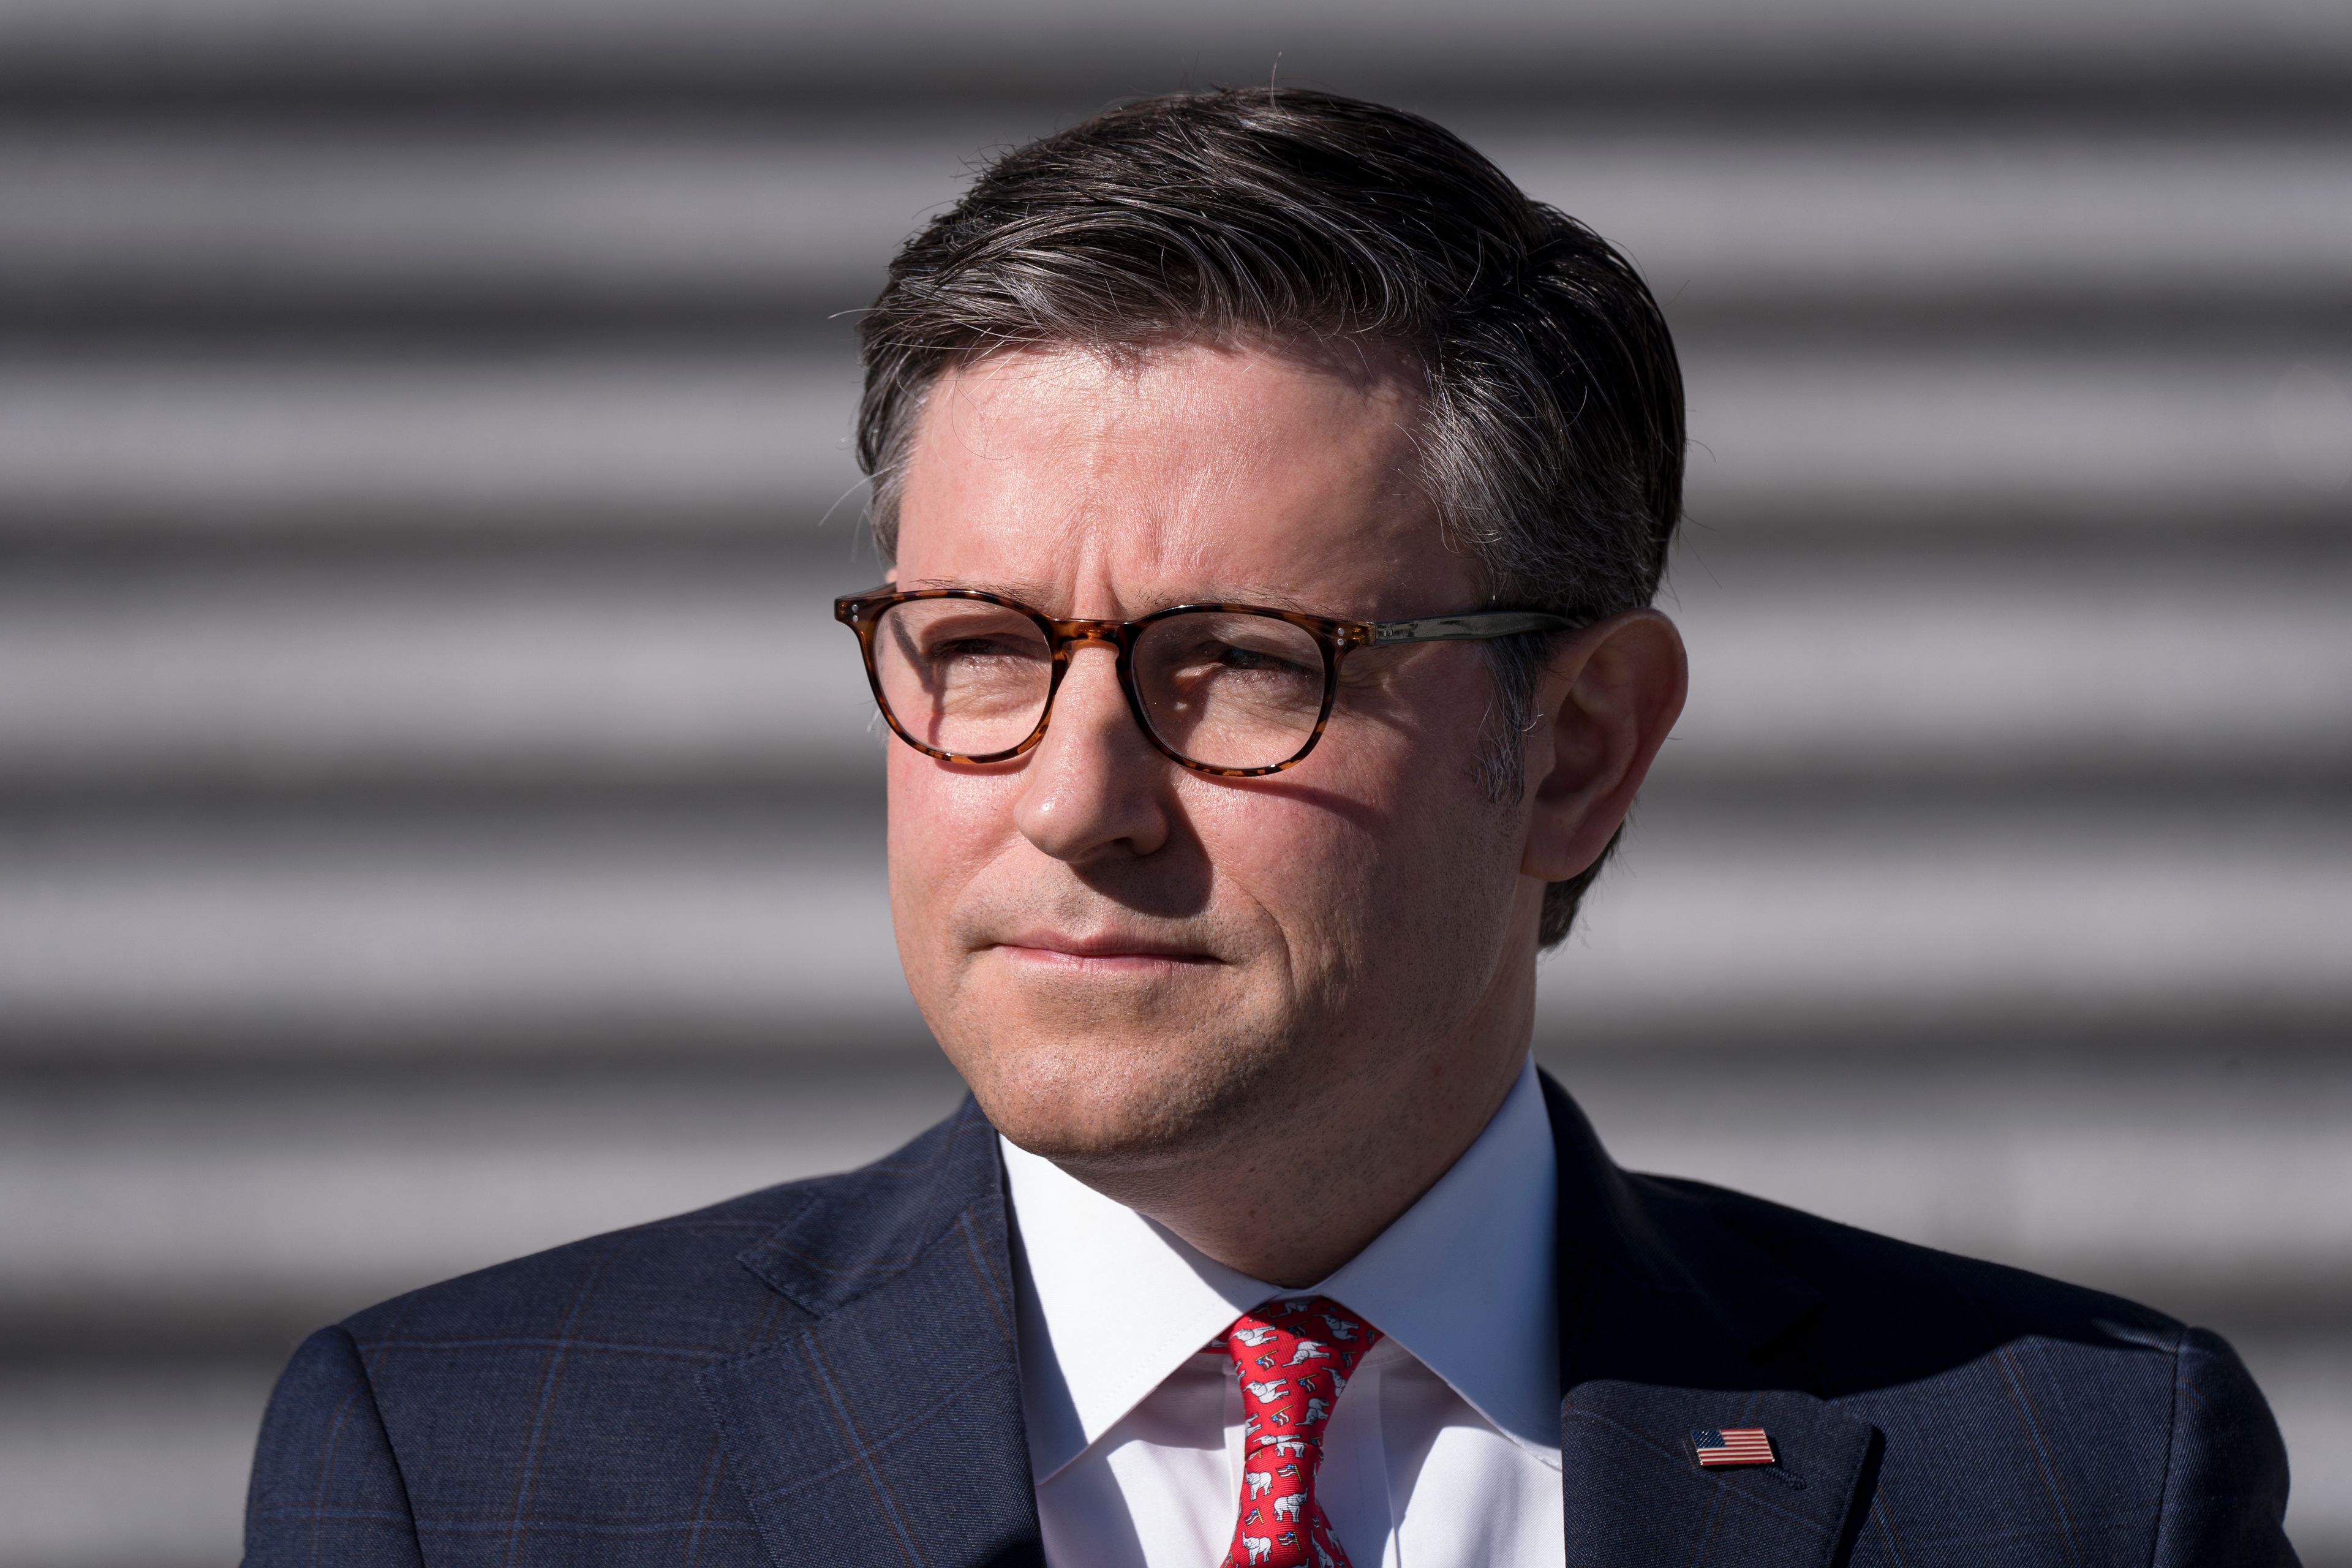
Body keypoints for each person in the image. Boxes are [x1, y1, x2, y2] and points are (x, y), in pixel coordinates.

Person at [243, 88, 2295, 1568]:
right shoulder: (474, 1468)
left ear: (1579, 746)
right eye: (977, 646)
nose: (1071, 798)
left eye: (1236, 662)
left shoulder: (2076, 1476)